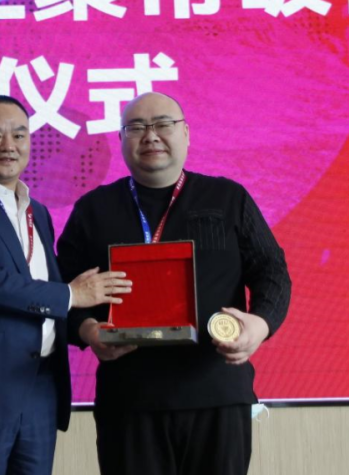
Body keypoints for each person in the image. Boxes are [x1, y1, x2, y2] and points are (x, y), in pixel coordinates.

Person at [57, 92, 292, 475]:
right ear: (120, 139)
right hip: (129, 398)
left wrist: (260, 324)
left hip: (216, 392)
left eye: (163, 124)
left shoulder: (228, 198)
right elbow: (59, 293)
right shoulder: (94, 209)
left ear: (186, 133)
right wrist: (86, 330)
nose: (150, 135)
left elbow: (273, 271)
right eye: (136, 127)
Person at [0, 95, 133, 475]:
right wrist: (72, 294)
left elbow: (41, 294)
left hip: (40, 386)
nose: (9, 146)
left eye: (19, 135)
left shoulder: (40, 214)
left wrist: (88, 327)